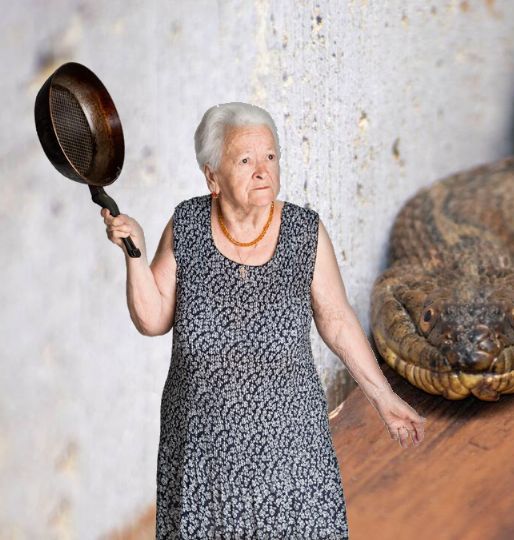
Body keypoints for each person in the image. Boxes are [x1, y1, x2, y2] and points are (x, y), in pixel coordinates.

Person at [100, 102, 426, 537]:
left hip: (290, 449)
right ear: (211, 176)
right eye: (246, 159)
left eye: (270, 157)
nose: (262, 170)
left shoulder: (304, 232)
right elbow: (154, 318)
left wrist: (384, 400)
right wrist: (133, 252)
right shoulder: (188, 224)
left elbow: (337, 320)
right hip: (202, 452)